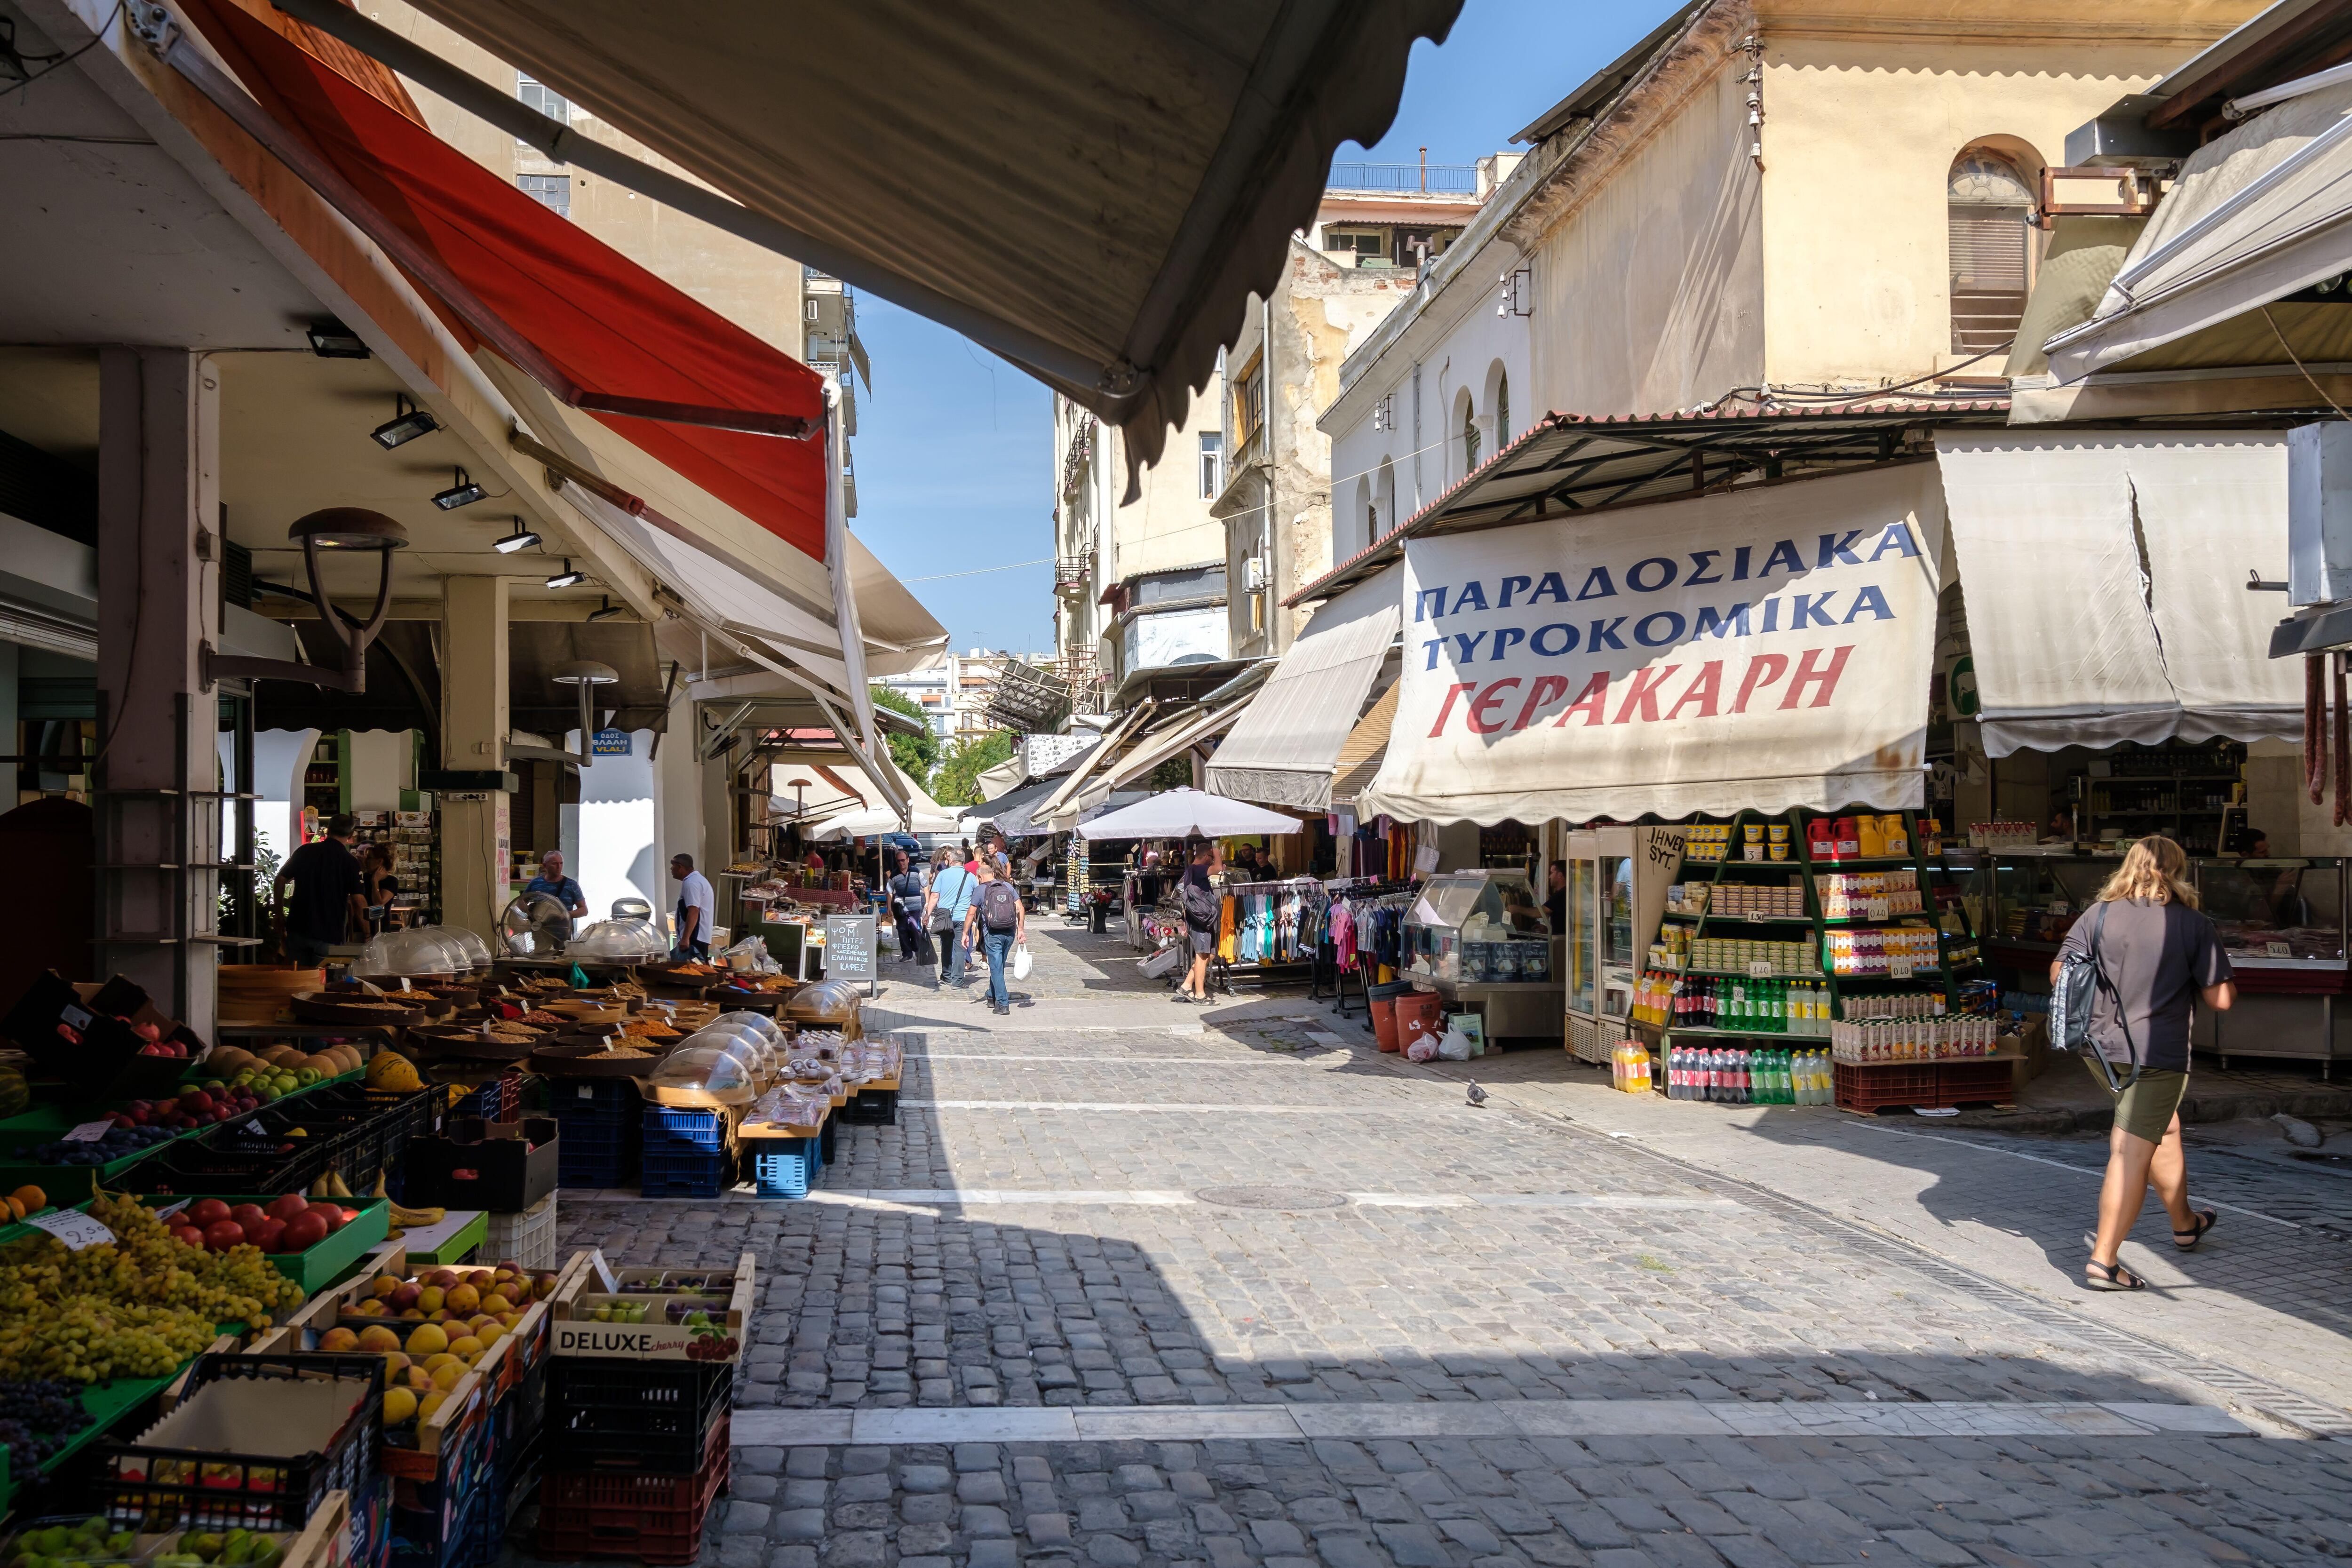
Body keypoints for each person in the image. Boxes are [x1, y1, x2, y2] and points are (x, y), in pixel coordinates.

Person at [2050, 836, 2234, 1292]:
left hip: (2099, 1049)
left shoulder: (2097, 915)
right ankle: (2103, 1260)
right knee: (2130, 1150)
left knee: (2161, 1127)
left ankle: (2184, 1223)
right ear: (2177, 871)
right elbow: (2221, 999)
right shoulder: (2193, 925)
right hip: (2157, 1056)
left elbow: (2059, 973)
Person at [274, 812, 368, 965]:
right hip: (330, 933)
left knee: (297, 980)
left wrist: (278, 912)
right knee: (324, 981)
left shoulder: (304, 852)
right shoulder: (350, 862)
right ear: (351, 835)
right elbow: (358, 900)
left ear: (327, 830)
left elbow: (280, 879)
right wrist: (368, 933)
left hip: (298, 929)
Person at [964, 857, 1027, 1015]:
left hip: (992, 934)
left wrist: (965, 934)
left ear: (979, 877)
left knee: (997, 969)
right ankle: (991, 995)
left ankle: (1003, 1004)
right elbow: (1021, 908)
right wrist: (1020, 930)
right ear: (993, 873)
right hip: (1010, 933)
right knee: (998, 967)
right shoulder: (1007, 886)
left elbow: (971, 913)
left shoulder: (980, 890)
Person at [1174, 841, 1221, 1004]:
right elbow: (1218, 869)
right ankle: (1200, 995)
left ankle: (1186, 986)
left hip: (1198, 918)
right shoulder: (1199, 868)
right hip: (1201, 919)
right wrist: (1217, 851)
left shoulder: (1190, 871)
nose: (1212, 859)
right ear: (1206, 856)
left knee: (1210, 954)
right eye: (1211, 857)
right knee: (1202, 956)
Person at [926, 846, 979, 987]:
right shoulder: (971, 877)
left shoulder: (943, 875)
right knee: (961, 948)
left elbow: (935, 896)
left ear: (951, 859)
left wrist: (927, 914)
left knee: (946, 947)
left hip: (944, 917)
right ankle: (958, 980)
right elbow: (977, 897)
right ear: (963, 861)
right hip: (963, 918)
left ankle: (947, 975)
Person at [522, 850, 588, 938]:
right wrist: (530, 913)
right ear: (545, 865)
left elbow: (584, 910)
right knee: (541, 951)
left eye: (561, 863)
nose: (559, 867)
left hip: (563, 934)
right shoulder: (535, 883)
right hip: (541, 934)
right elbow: (521, 901)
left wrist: (566, 915)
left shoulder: (571, 885)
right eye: (555, 864)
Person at [886, 849, 935, 968]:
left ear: (908, 860)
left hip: (915, 907)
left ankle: (917, 950)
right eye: (899, 861)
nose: (901, 863)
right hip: (900, 908)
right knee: (902, 930)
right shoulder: (894, 874)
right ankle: (907, 953)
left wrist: (927, 903)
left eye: (903, 860)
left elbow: (925, 887)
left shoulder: (916, 872)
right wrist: (889, 907)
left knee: (915, 929)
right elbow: (889, 892)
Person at [669, 853, 716, 959]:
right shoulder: (696, 880)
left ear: (680, 867)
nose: (671, 869)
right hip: (697, 937)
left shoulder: (692, 883)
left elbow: (694, 911)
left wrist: (686, 938)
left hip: (695, 937)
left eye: (673, 865)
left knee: (692, 972)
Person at [361, 842, 403, 935]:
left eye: (369, 858)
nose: (366, 861)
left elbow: (378, 904)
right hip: (362, 926)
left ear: (380, 861)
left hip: (380, 928)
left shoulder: (391, 881)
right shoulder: (365, 877)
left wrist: (375, 882)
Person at [1545, 860, 1568, 932]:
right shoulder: (1561, 893)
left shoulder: (1562, 894)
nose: (1549, 877)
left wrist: (1518, 909)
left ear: (1560, 875)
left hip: (1562, 940)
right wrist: (1547, 929)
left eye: (1552, 873)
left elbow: (1541, 912)